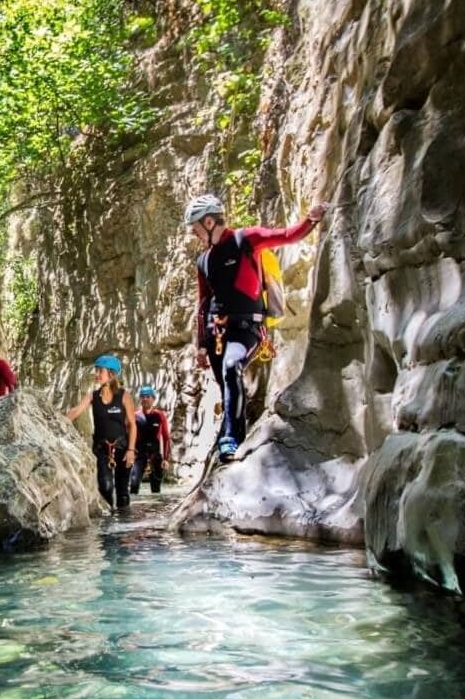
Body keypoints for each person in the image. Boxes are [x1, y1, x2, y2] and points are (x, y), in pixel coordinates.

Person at [185, 194, 325, 463]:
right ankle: (228, 431)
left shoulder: (245, 239)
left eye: (196, 227)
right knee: (225, 380)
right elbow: (202, 304)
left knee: (231, 367)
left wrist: (311, 219)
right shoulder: (203, 262)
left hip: (247, 328)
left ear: (210, 221)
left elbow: (285, 236)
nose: (194, 233)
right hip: (216, 331)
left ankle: (231, 439)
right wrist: (201, 345)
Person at [63, 354, 136, 509]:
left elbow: (132, 425)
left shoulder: (124, 396)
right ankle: (109, 527)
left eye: (100, 371)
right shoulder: (93, 396)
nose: (96, 374)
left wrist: (131, 450)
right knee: (105, 488)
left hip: (122, 448)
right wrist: (58, 421)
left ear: (111, 374)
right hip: (101, 449)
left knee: (122, 493)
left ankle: (123, 528)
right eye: (96, 370)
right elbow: (76, 411)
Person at [129, 385, 172, 495]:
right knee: (133, 484)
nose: (145, 399)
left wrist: (166, 459)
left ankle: (156, 511)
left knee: (156, 489)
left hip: (155, 455)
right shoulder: (136, 416)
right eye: (143, 396)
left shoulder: (159, 415)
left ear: (153, 398)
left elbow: (166, 437)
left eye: (148, 396)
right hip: (139, 455)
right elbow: (129, 435)